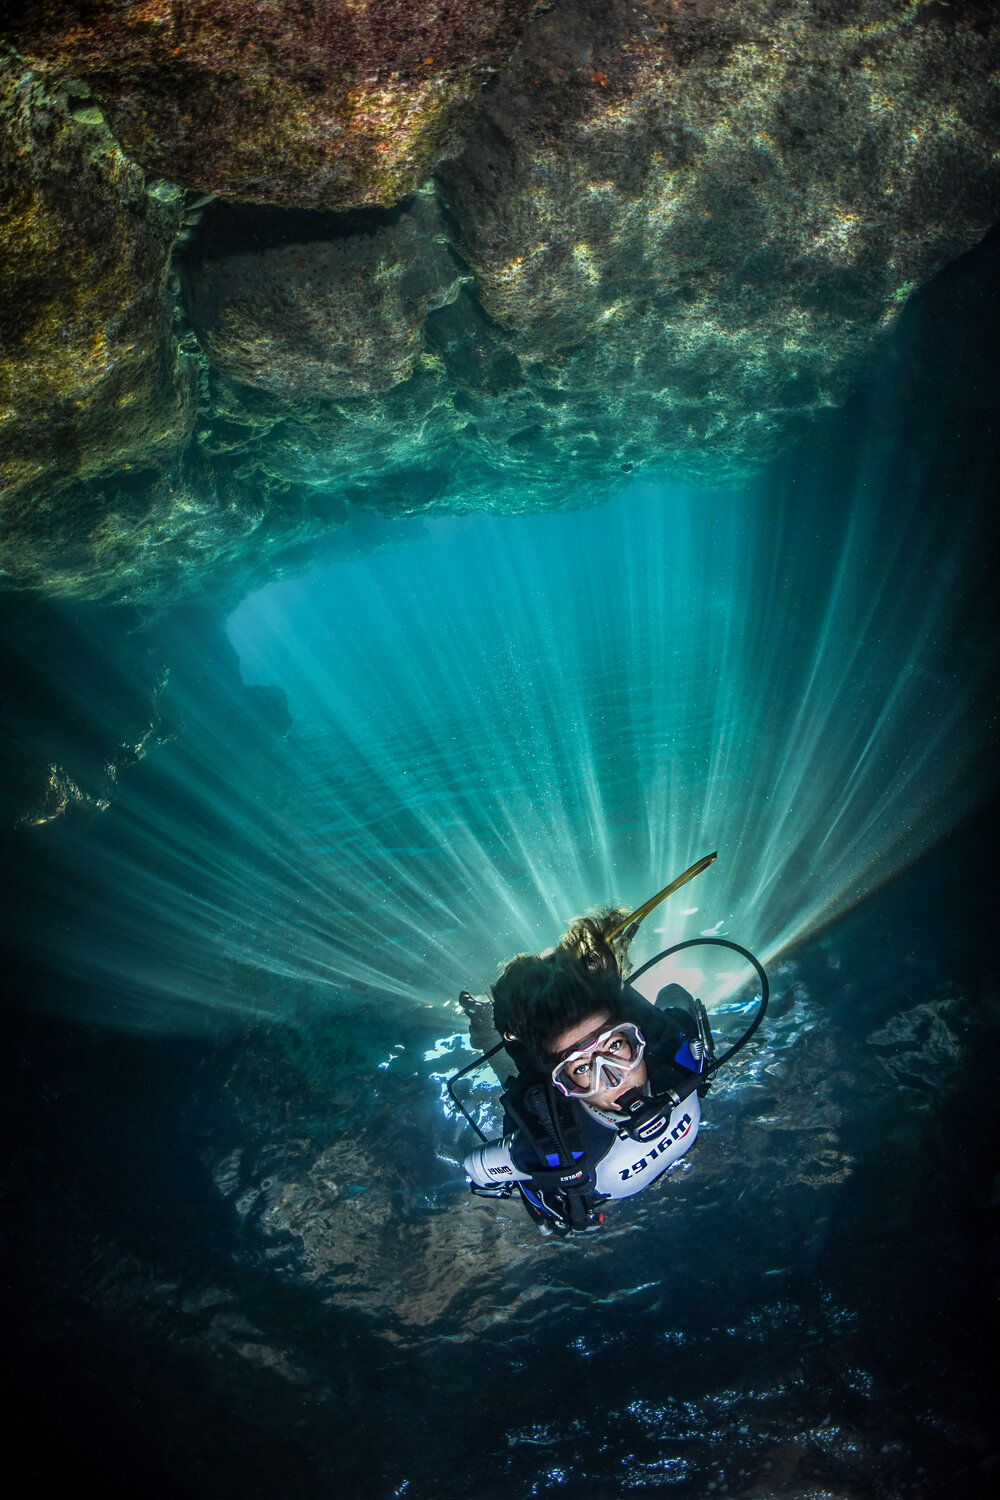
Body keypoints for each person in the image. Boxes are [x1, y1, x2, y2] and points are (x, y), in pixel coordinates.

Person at [458, 911, 713, 1236]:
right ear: (565, 1084)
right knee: (525, 1071)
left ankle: (578, 988)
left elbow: (675, 997)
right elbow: (476, 1168)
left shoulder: (681, 1055)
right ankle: (487, 1021)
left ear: (636, 1039)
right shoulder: (554, 1146)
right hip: (559, 1128)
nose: (613, 1077)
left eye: (616, 1047)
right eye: (580, 1067)